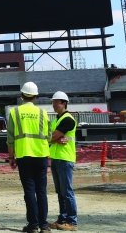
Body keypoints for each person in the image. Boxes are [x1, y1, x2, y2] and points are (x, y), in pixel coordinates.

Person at [7, 82, 50, 233]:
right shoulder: (43, 113)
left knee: (30, 191)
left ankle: (33, 225)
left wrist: (11, 156)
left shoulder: (15, 112)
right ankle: (44, 225)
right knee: (41, 191)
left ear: (21, 95)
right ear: (36, 97)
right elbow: (48, 135)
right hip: (41, 154)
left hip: (24, 155)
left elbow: (10, 137)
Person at [48, 91, 78, 231]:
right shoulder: (55, 120)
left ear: (64, 103)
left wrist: (53, 138)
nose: (54, 105)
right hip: (56, 158)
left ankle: (72, 222)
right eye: (53, 102)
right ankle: (62, 219)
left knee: (67, 191)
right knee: (60, 191)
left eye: (56, 102)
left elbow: (51, 136)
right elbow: (50, 136)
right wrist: (54, 139)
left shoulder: (68, 120)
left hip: (65, 158)